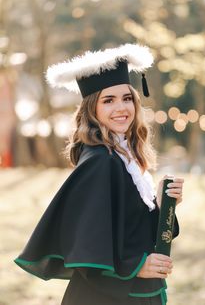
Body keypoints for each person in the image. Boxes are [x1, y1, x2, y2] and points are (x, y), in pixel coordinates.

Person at [14, 43, 184, 305]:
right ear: (92, 108)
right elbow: (86, 245)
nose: (121, 108)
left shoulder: (123, 156)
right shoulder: (100, 161)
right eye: (109, 100)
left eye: (127, 98)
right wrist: (137, 266)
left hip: (140, 293)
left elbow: (132, 231)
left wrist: (163, 205)